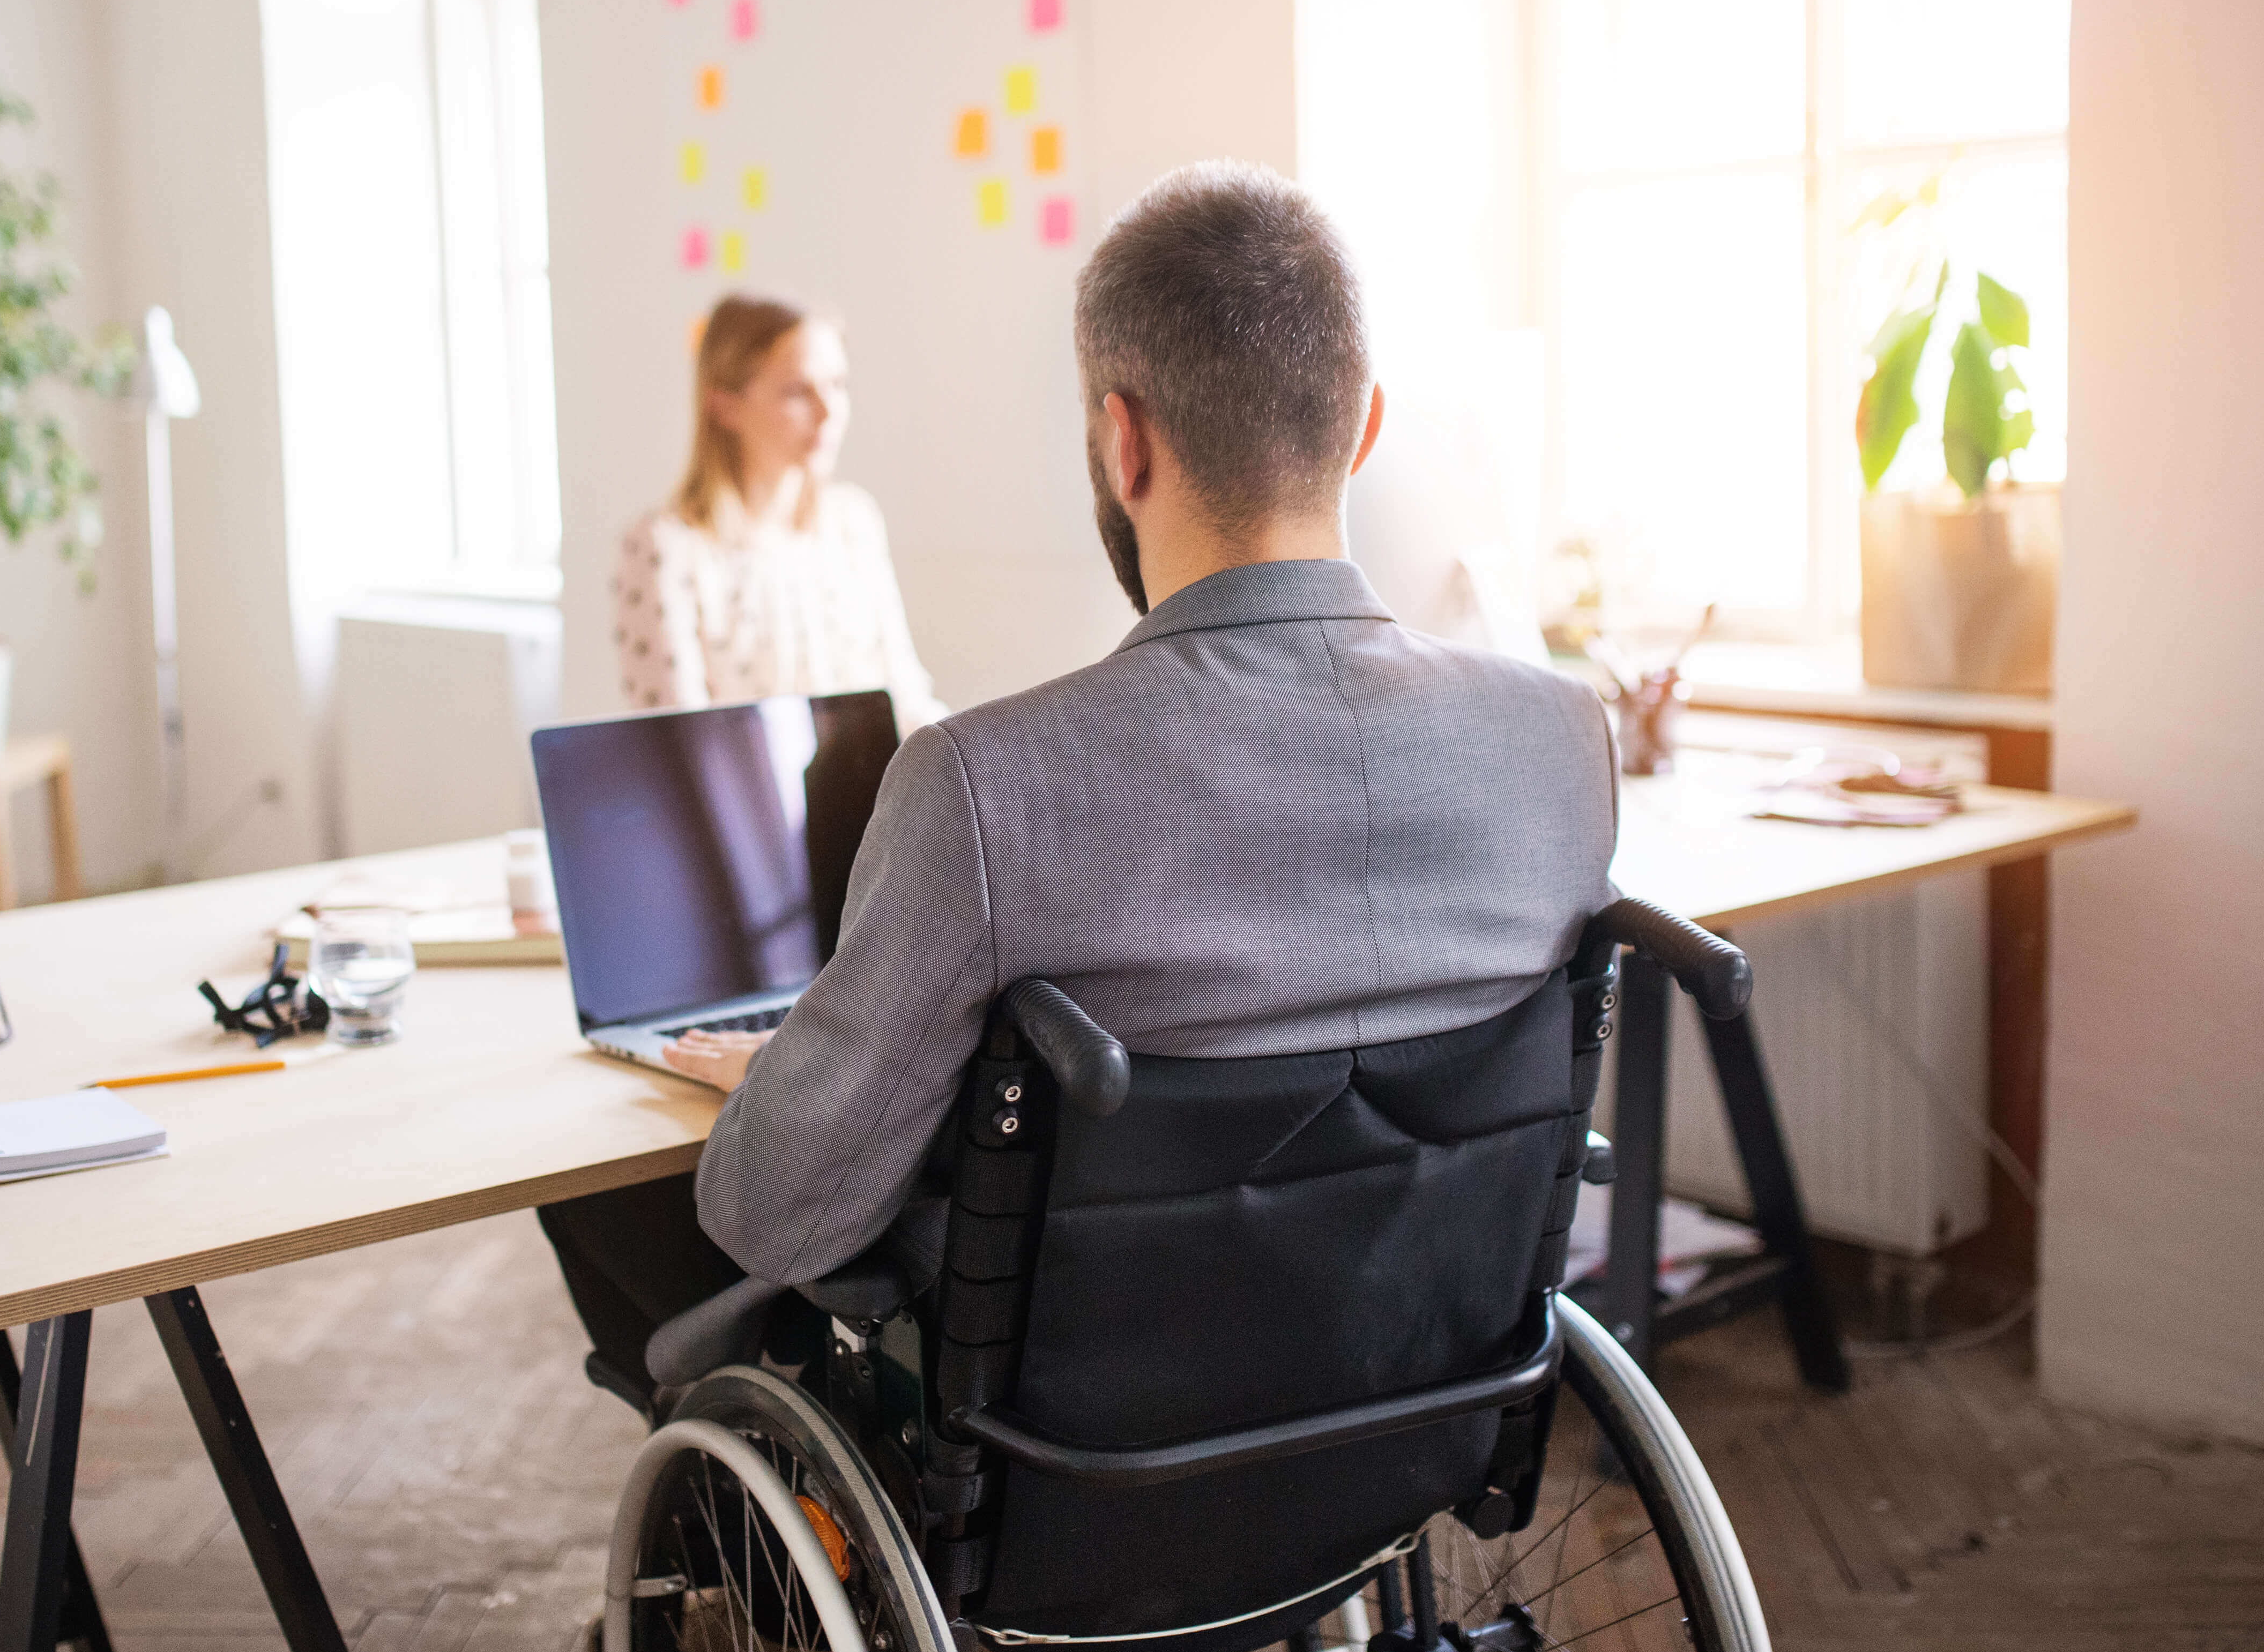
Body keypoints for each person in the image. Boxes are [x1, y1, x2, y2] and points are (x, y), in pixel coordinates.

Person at [539, 164, 1617, 1399]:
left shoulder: (983, 785)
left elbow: (772, 1216)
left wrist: (791, 1090)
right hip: (1419, 1397)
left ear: (1122, 440)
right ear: (1362, 428)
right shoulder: (1562, 740)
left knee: (597, 1187)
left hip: (1085, 1438)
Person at [610, 294, 943, 726]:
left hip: (875, 774)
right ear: (725, 406)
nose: (829, 412)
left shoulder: (854, 522)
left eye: (838, 385)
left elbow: (905, 696)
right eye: (798, 391)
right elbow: (679, 738)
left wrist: (972, 758)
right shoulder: (667, 548)